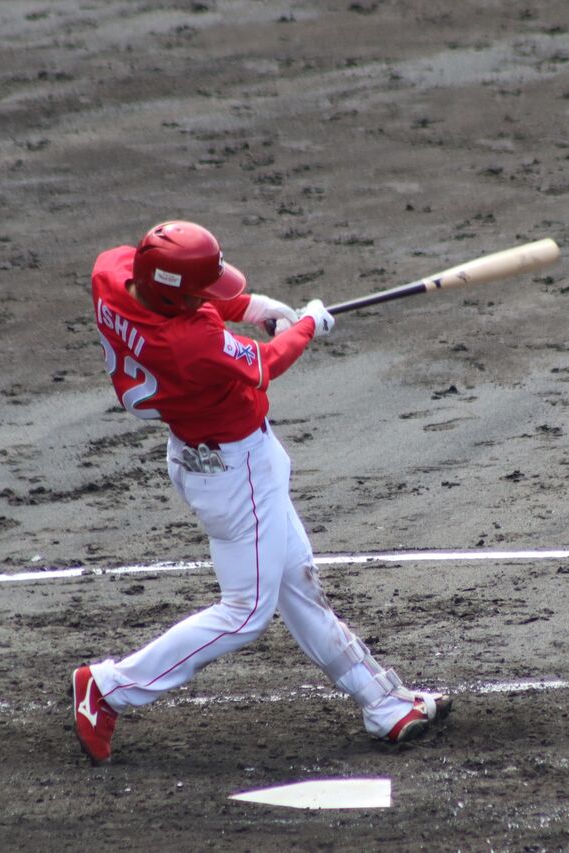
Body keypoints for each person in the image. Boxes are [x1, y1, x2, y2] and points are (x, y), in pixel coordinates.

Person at [72, 220, 451, 764]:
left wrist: (253, 307)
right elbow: (265, 362)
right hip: (235, 473)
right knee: (247, 612)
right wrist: (307, 325)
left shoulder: (111, 273)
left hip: (205, 457)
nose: (210, 295)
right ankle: (109, 687)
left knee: (296, 582)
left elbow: (187, 300)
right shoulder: (187, 344)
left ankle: (383, 703)